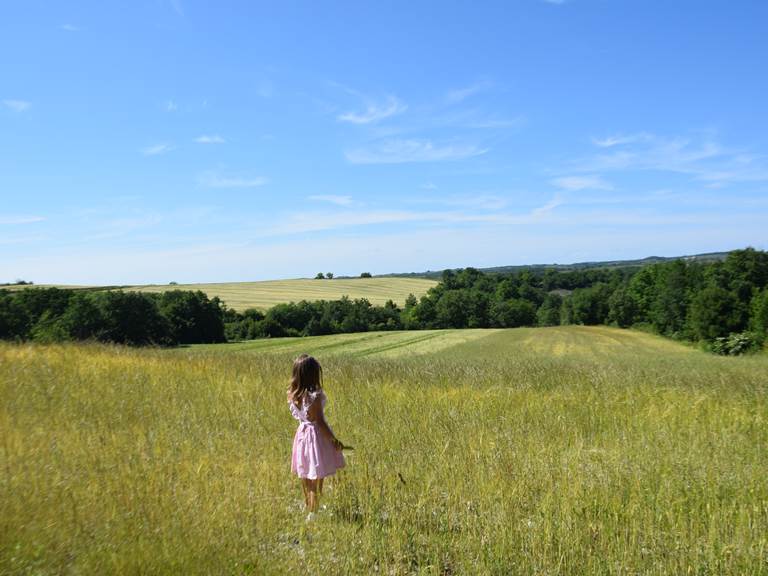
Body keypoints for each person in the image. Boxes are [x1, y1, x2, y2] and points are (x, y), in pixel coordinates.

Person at [287, 354, 346, 519]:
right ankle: (314, 511)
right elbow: (320, 422)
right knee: (317, 474)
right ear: (313, 375)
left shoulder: (294, 395)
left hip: (302, 435)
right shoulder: (315, 396)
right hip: (315, 437)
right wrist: (334, 441)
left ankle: (309, 505)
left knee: (305, 473)